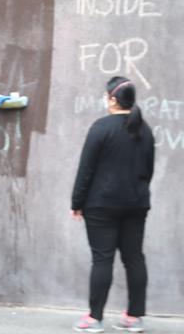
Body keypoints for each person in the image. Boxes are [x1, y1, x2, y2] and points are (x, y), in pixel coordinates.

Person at [70, 76, 155, 333]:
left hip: (101, 205)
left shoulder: (101, 128)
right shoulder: (145, 130)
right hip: (136, 204)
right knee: (134, 258)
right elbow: (148, 170)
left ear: (113, 99)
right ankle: (134, 317)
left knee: (102, 259)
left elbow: (86, 169)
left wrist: (77, 202)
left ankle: (94, 319)